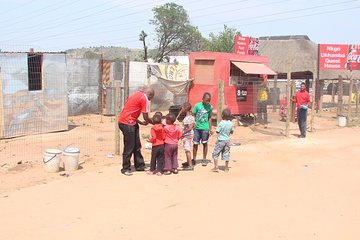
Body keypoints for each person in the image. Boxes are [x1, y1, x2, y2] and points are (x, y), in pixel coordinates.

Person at [118, 88, 154, 176]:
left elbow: (132, 111)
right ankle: (125, 168)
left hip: (130, 121)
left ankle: (140, 165)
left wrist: (140, 122)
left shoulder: (137, 93)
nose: (150, 100)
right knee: (129, 146)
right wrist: (154, 123)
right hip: (127, 123)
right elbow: (146, 117)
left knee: (137, 144)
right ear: (150, 95)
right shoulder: (144, 98)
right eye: (151, 98)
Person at [193, 92, 214, 166]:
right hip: (197, 128)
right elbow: (194, 115)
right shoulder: (197, 106)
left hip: (205, 128)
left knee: (205, 143)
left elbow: (210, 118)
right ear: (202, 99)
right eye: (206, 100)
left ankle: (204, 159)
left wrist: (210, 128)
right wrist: (194, 123)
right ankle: (194, 159)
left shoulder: (210, 107)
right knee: (195, 144)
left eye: (209, 100)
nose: (208, 102)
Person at [211, 109, 234, 173]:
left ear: (222, 116)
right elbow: (232, 132)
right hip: (227, 140)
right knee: (226, 153)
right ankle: (226, 168)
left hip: (221, 140)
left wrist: (213, 132)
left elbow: (218, 131)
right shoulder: (231, 123)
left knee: (215, 153)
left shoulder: (221, 123)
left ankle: (216, 167)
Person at [180, 102, 195, 171]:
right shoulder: (192, 117)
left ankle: (190, 165)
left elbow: (189, 128)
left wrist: (182, 134)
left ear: (185, 108)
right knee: (187, 149)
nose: (181, 109)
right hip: (190, 136)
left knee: (187, 150)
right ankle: (188, 162)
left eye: (182, 108)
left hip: (187, 136)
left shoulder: (186, 119)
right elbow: (194, 126)